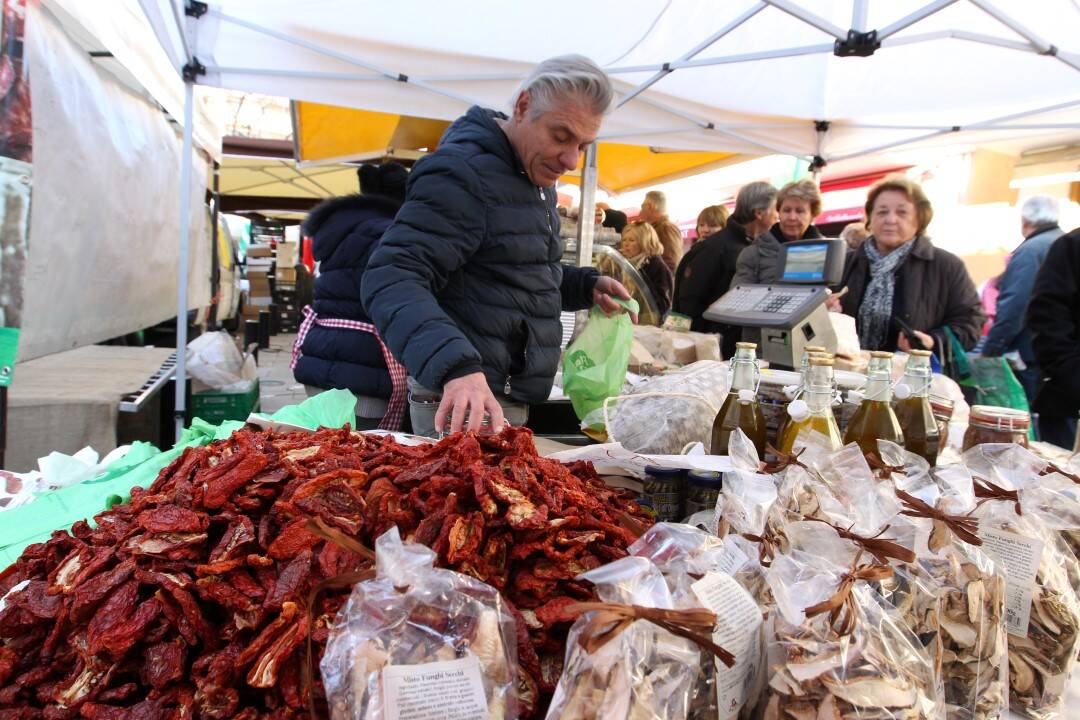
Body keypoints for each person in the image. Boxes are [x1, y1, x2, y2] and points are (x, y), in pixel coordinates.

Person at [362, 55, 633, 436]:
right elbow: (390, 277)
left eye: (583, 145)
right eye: (561, 136)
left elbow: (511, 271)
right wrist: (457, 368)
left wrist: (583, 286)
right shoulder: (463, 173)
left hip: (502, 393)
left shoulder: (532, 180)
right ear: (523, 107)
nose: (571, 159)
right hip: (462, 397)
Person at [291, 162, 409, 430]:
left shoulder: (339, 230)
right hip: (365, 368)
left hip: (322, 355)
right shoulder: (390, 233)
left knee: (327, 454)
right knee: (364, 459)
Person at [832, 175, 983, 352]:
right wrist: (823, 312)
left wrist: (933, 341)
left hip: (913, 373)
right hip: (848, 372)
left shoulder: (946, 266)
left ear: (919, 219)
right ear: (870, 219)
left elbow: (970, 323)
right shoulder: (845, 263)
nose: (890, 219)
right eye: (882, 211)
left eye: (902, 212)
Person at [672, 181, 778, 357]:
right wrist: (702, 351)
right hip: (714, 350)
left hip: (732, 346)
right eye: (776, 209)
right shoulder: (715, 248)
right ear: (759, 213)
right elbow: (690, 302)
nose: (778, 215)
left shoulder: (752, 246)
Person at [981, 196, 1063, 403]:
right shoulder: (1065, 244)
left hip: (1032, 355)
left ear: (1025, 221)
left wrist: (992, 349)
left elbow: (1015, 305)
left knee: (1027, 420)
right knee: (1057, 426)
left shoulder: (1030, 251)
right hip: (1061, 357)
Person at [1028, 226, 1080, 449]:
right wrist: (1071, 376)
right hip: (1070, 402)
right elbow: (1047, 315)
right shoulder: (1072, 246)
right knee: (1064, 480)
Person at [733, 179, 823, 285]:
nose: (792, 217)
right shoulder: (753, 254)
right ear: (779, 212)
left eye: (799, 211)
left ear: (812, 216)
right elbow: (738, 297)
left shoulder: (828, 253)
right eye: (786, 210)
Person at [618, 221, 673, 316]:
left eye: (631, 240)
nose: (626, 244)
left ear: (645, 242)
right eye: (624, 240)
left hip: (648, 323)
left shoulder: (656, 266)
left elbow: (662, 306)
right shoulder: (627, 263)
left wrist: (638, 275)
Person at [638, 190, 683, 273]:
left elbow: (671, 262)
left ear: (650, 206)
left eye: (642, 206)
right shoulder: (659, 227)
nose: (640, 211)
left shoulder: (666, 228)